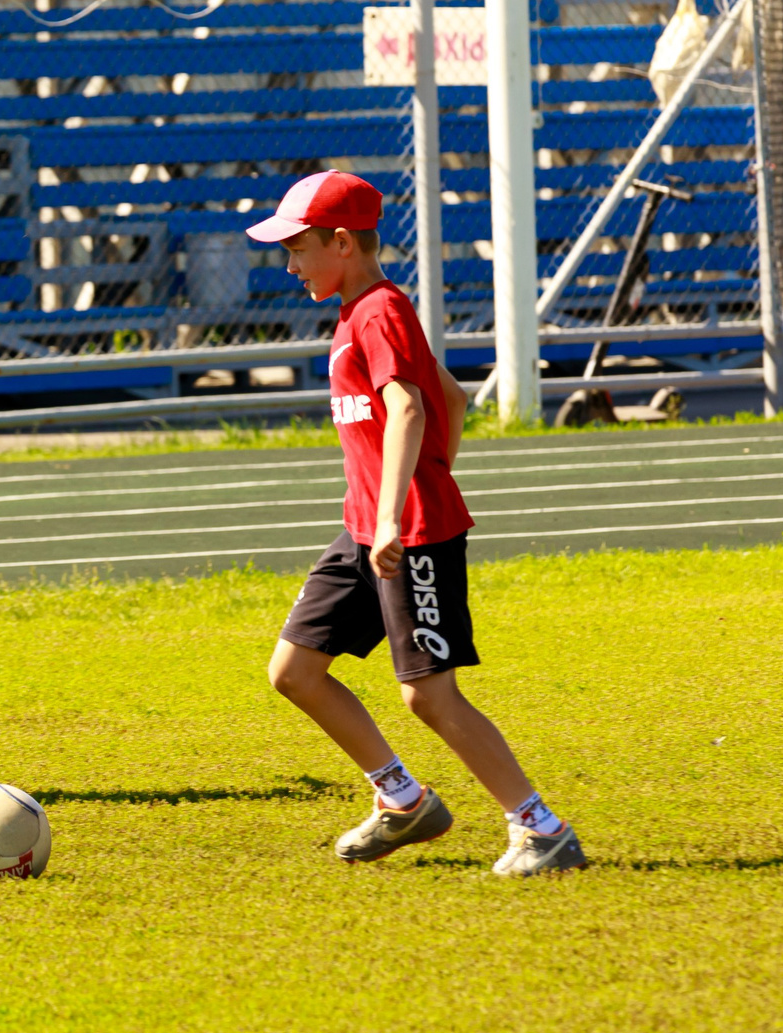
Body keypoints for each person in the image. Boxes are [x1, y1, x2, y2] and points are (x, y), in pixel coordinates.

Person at [248, 170, 587, 877]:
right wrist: (413, 487)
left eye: (299, 248)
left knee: (428, 695)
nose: (291, 264)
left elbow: (410, 406)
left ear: (343, 243)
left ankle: (542, 829)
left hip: (406, 535)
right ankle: (402, 800)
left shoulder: (379, 311)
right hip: (368, 530)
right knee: (295, 670)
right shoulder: (359, 312)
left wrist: (401, 510)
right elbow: (452, 397)